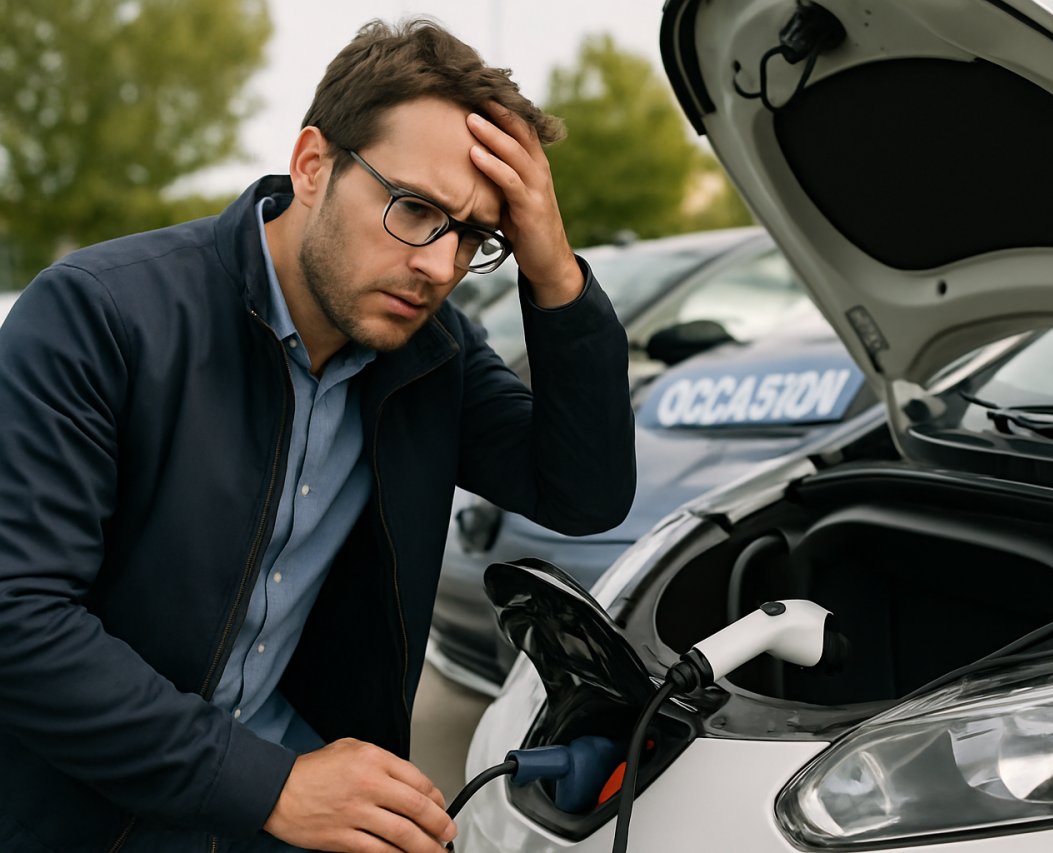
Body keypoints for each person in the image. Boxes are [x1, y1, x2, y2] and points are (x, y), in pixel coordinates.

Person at [0, 18, 636, 853]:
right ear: (311, 165)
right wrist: (268, 785)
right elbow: (19, 617)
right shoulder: (101, 313)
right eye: (415, 209)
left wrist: (551, 266)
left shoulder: (431, 354)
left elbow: (584, 492)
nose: (440, 267)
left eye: (476, 237)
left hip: (300, 801)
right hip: (89, 811)